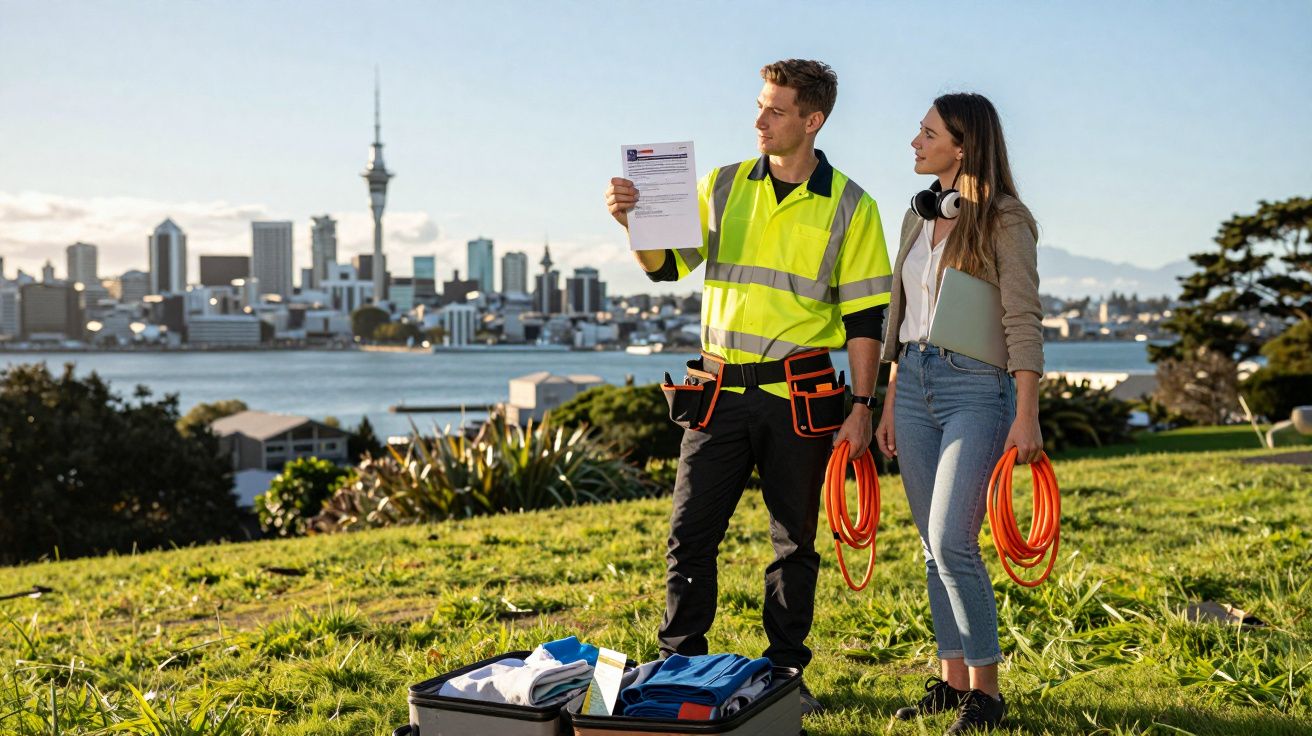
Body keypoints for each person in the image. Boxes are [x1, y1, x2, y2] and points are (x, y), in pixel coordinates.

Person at [604, 59, 892, 716]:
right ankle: (678, 663)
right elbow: (667, 267)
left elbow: (865, 319)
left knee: (794, 540)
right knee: (689, 534)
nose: (758, 120)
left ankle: (785, 671)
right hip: (718, 391)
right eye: (759, 106)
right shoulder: (724, 184)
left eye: (776, 110)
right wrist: (632, 224)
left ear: (812, 121)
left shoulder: (853, 206)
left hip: (799, 395)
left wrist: (863, 407)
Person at [874, 92, 1044, 734]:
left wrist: (1026, 412)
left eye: (927, 133)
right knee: (929, 546)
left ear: (964, 145)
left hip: (977, 387)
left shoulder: (1005, 219)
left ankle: (987, 693)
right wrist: (891, 399)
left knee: (952, 541)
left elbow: (1022, 319)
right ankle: (950, 683)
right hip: (913, 382)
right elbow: (900, 317)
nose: (915, 143)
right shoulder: (917, 218)